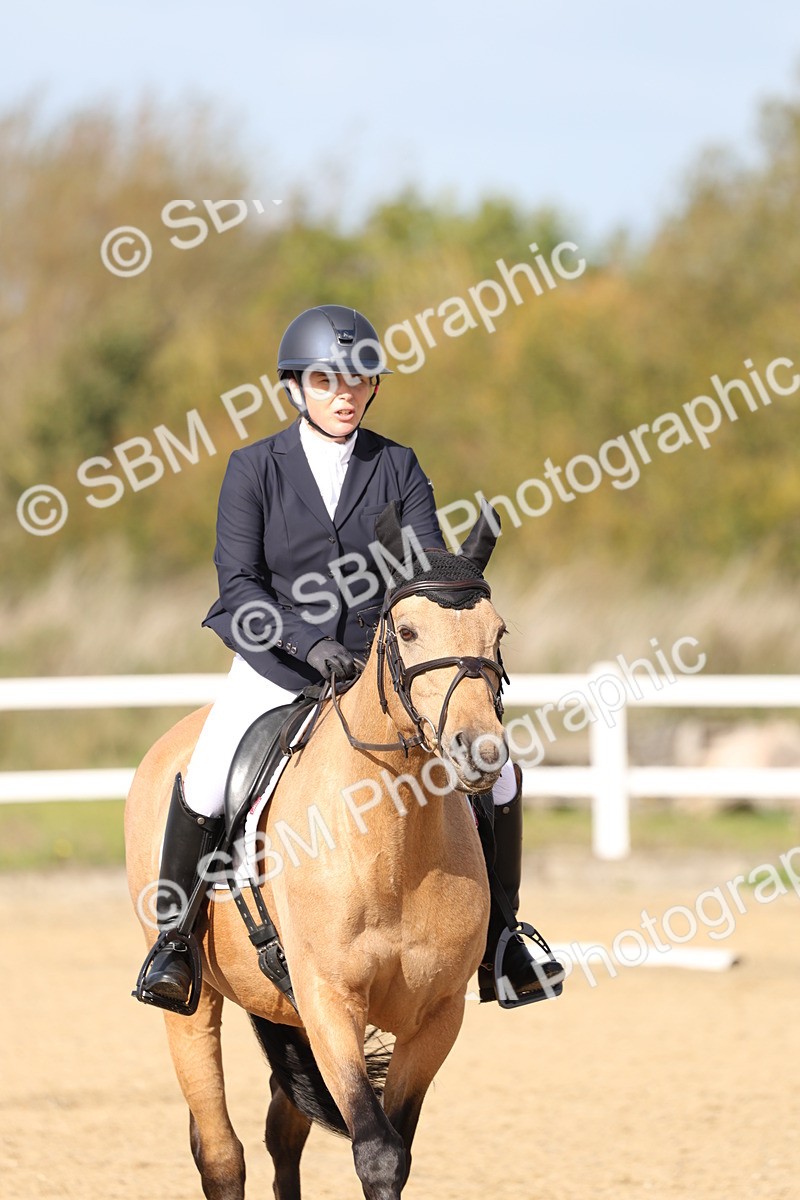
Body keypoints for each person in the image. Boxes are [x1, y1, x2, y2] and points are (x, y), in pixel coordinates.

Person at [141, 304, 557, 1008]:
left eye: (359, 380)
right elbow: (238, 587)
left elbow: (423, 570)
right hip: (277, 663)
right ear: (296, 386)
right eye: (328, 379)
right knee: (209, 774)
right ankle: (175, 944)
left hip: (377, 671)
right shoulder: (254, 470)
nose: (346, 393)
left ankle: (504, 942)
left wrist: (458, 577)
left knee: (501, 772)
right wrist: (308, 643)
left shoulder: (396, 465)